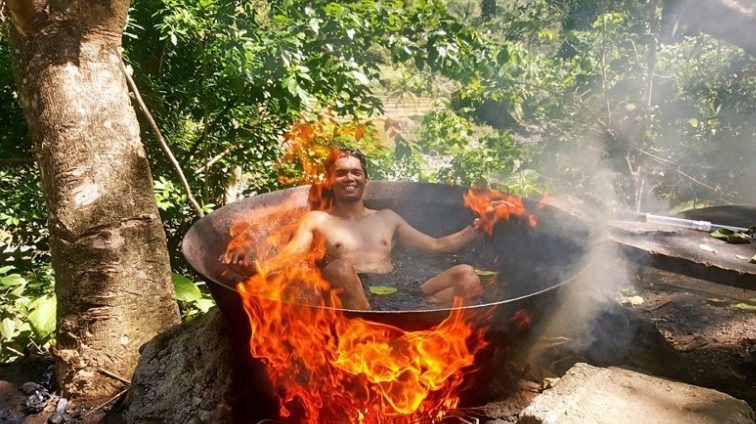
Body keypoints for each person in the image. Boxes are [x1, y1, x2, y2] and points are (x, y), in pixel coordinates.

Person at [227, 147, 485, 310]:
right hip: (350, 292)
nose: (349, 178)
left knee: (467, 275)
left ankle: (412, 318)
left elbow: (438, 245)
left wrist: (476, 228)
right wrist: (253, 269)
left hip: (396, 287)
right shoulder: (317, 220)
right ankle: (373, 333)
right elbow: (288, 258)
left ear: (365, 179)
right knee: (339, 267)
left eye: (356, 172)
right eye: (341, 173)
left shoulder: (387, 217)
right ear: (330, 181)